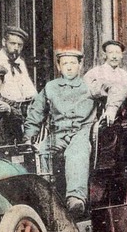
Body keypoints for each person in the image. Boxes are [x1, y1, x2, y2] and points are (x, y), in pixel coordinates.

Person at [23, 49, 99, 219]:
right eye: (65, 64)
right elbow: (36, 112)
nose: (69, 67)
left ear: (80, 65)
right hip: (58, 132)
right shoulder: (50, 87)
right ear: (59, 66)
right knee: (42, 151)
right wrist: (28, 136)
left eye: (73, 63)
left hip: (81, 131)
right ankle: (46, 197)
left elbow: (117, 89)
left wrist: (111, 108)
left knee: (76, 153)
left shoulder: (90, 86)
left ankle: (75, 198)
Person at [0, 26, 37, 120]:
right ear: (4, 42)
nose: (16, 48)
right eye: (12, 43)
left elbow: (29, 89)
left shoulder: (20, 63)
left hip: (19, 112)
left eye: (19, 45)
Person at [83, 39, 127, 125]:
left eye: (117, 53)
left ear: (121, 55)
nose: (114, 56)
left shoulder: (124, 74)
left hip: (123, 118)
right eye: (111, 53)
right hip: (100, 117)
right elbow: (85, 94)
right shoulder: (94, 72)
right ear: (105, 55)